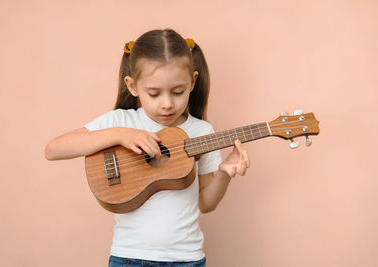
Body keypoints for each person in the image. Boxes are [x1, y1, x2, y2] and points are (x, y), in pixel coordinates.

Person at [45, 28, 250, 267]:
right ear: (132, 86)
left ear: (193, 81)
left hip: (187, 259)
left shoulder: (202, 131)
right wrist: (120, 135)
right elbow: (53, 149)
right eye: (154, 93)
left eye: (178, 92)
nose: (167, 104)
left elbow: (207, 204)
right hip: (130, 258)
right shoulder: (122, 121)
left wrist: (225, 173)